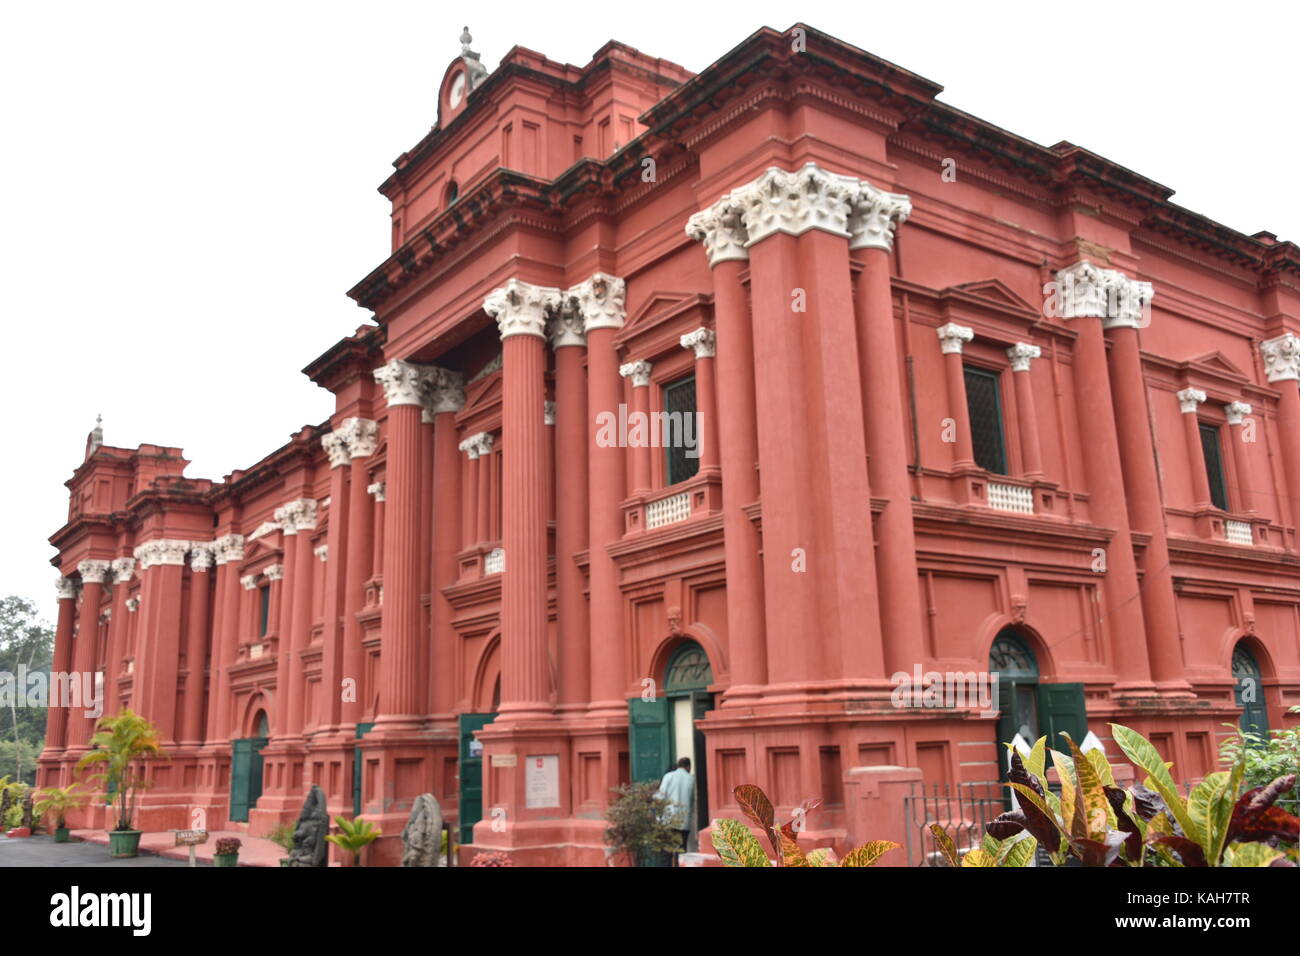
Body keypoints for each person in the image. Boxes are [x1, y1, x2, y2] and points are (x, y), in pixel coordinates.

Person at [656, 757, 694, 866]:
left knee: (666, 853)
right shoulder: (691, 779)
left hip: (668, 820)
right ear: (689, 767)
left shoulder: (668, 776)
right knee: (681, 852)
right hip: (684, 821)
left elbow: (660, 797)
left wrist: (658, 817)